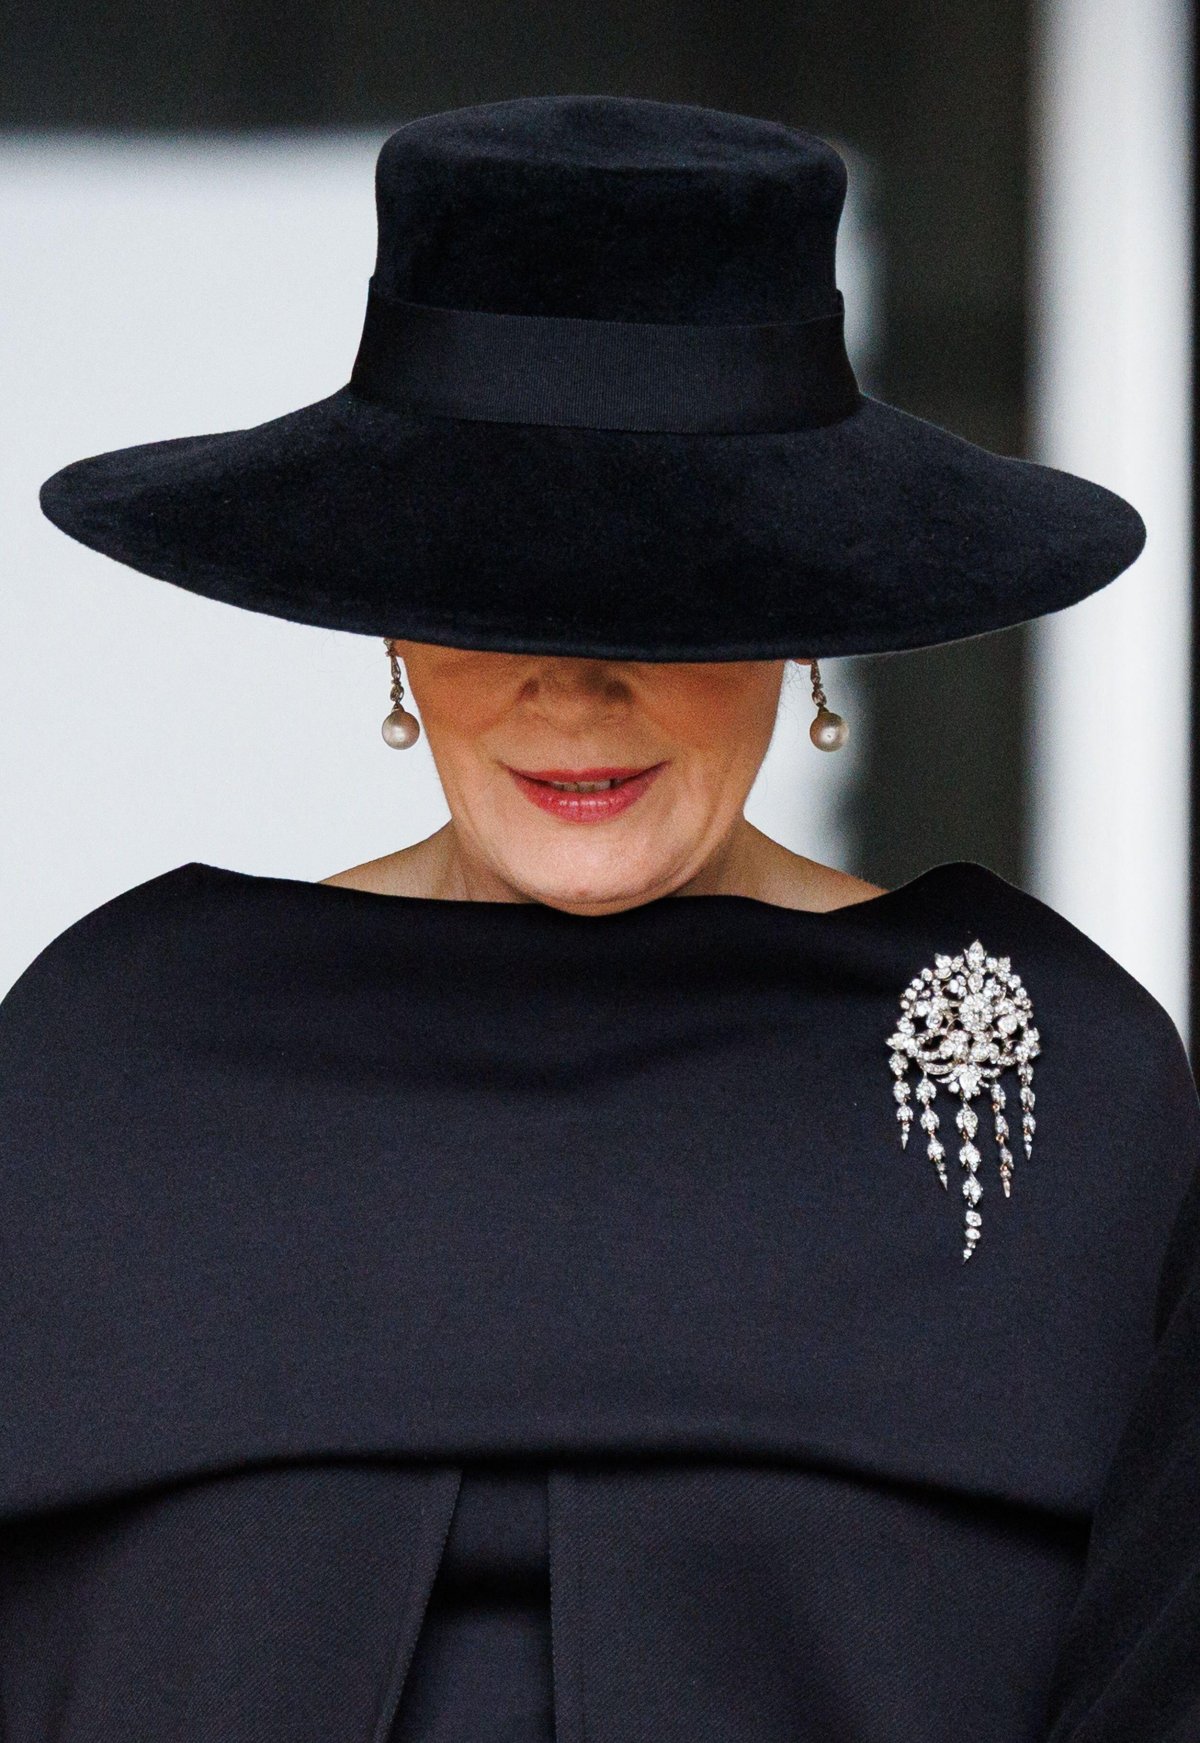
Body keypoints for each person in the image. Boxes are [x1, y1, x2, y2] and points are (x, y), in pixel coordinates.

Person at [2, 92, 1196, 1743]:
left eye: (671, 600)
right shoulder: (109, 1060)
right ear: (393, 626)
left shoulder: (1062, 1082)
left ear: (803, 625)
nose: (581, 690)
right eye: (502, 597)